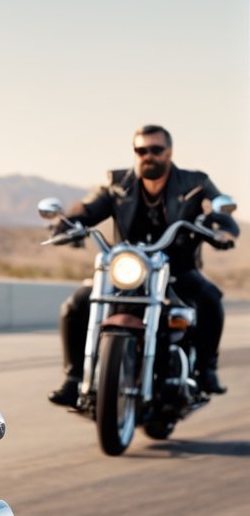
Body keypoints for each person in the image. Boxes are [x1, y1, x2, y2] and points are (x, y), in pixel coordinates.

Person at [49, 124, 233, 406]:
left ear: (169, 152)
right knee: (75, 306)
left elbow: (217, 210)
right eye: (141, 150)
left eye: (156, 150)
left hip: (178, 271)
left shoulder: (195, 184)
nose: (148, 155)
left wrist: (221, 229)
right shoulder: (117, 183)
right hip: (128, 274)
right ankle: (74, 379)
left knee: (210, 300)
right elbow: (89, 207)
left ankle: (208, 370)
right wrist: (67, 223)